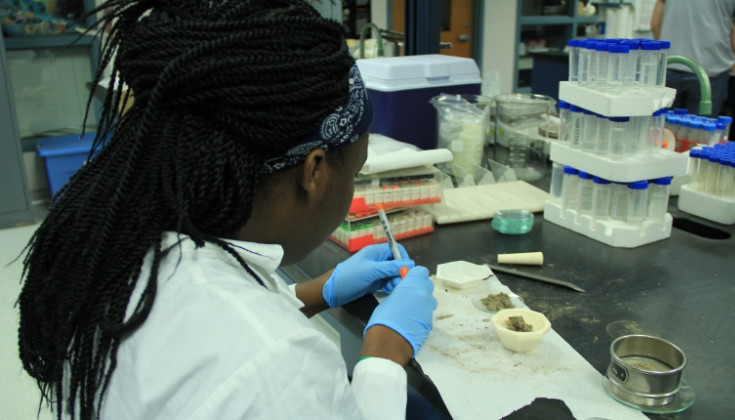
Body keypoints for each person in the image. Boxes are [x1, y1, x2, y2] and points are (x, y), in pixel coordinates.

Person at [16, 1, 437, 419]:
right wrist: (383, 356)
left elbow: (189, 339)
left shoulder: (112, 246)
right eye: (356, 171)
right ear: (314, 170)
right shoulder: (281, 365)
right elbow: (247, 357)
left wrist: (309, 294)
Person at [651, 0, 735, 117]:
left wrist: (668, 50)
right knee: (699, 132)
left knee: (660, 130)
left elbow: (655, 23)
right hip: (710, 73)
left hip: (668, 67)